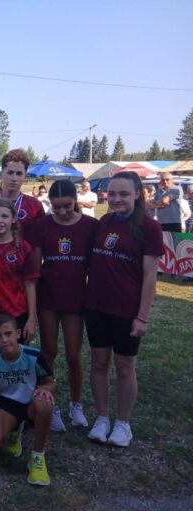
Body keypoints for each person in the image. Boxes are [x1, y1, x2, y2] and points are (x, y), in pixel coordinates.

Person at [84, 171, 163, 447]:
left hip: (126, 309)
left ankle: (123, 424)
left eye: (124, 194)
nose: (116, 199)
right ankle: (102, 418)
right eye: (112, 193)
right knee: (99, 362)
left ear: (137, 194)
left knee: (125, 366)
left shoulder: (148, 227)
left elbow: (150, 276)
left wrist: (142, 316)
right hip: (96, 306)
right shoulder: (104, 222)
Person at [32, 180, 98, 432]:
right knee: (48, 352)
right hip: (48, 297)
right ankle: (51, 403)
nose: (61, 212)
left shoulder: (90, 226)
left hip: (75, 298)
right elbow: (35, 265)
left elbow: (97, 264)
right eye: (56, 207)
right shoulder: (42, 225)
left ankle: (75, 403)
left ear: (75, 201)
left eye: (66, 206)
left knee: (73, 355)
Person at [0, 313, 56, 487]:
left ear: (18, 333)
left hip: (31, 402)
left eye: (8, 334)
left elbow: (50, 382)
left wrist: (45, 389)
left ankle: (37, 457)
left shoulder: (34, 355)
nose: (4, 339)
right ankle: (14, 431)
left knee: (45, 403)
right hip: (8, 406)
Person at [0, 198, 40, 350]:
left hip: (17, 313)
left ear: (13, 219)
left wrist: (31, 318)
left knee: (16, 357)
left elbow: (30, 285)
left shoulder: (23, 248)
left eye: (4, 216)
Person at [0, 149, 45, 246]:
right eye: (10, 172)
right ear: (1, 175)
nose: (14, 178)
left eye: (19, 173)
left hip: (23, 255)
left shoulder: (35, 206)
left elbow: (40, 243)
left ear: (25, 177)